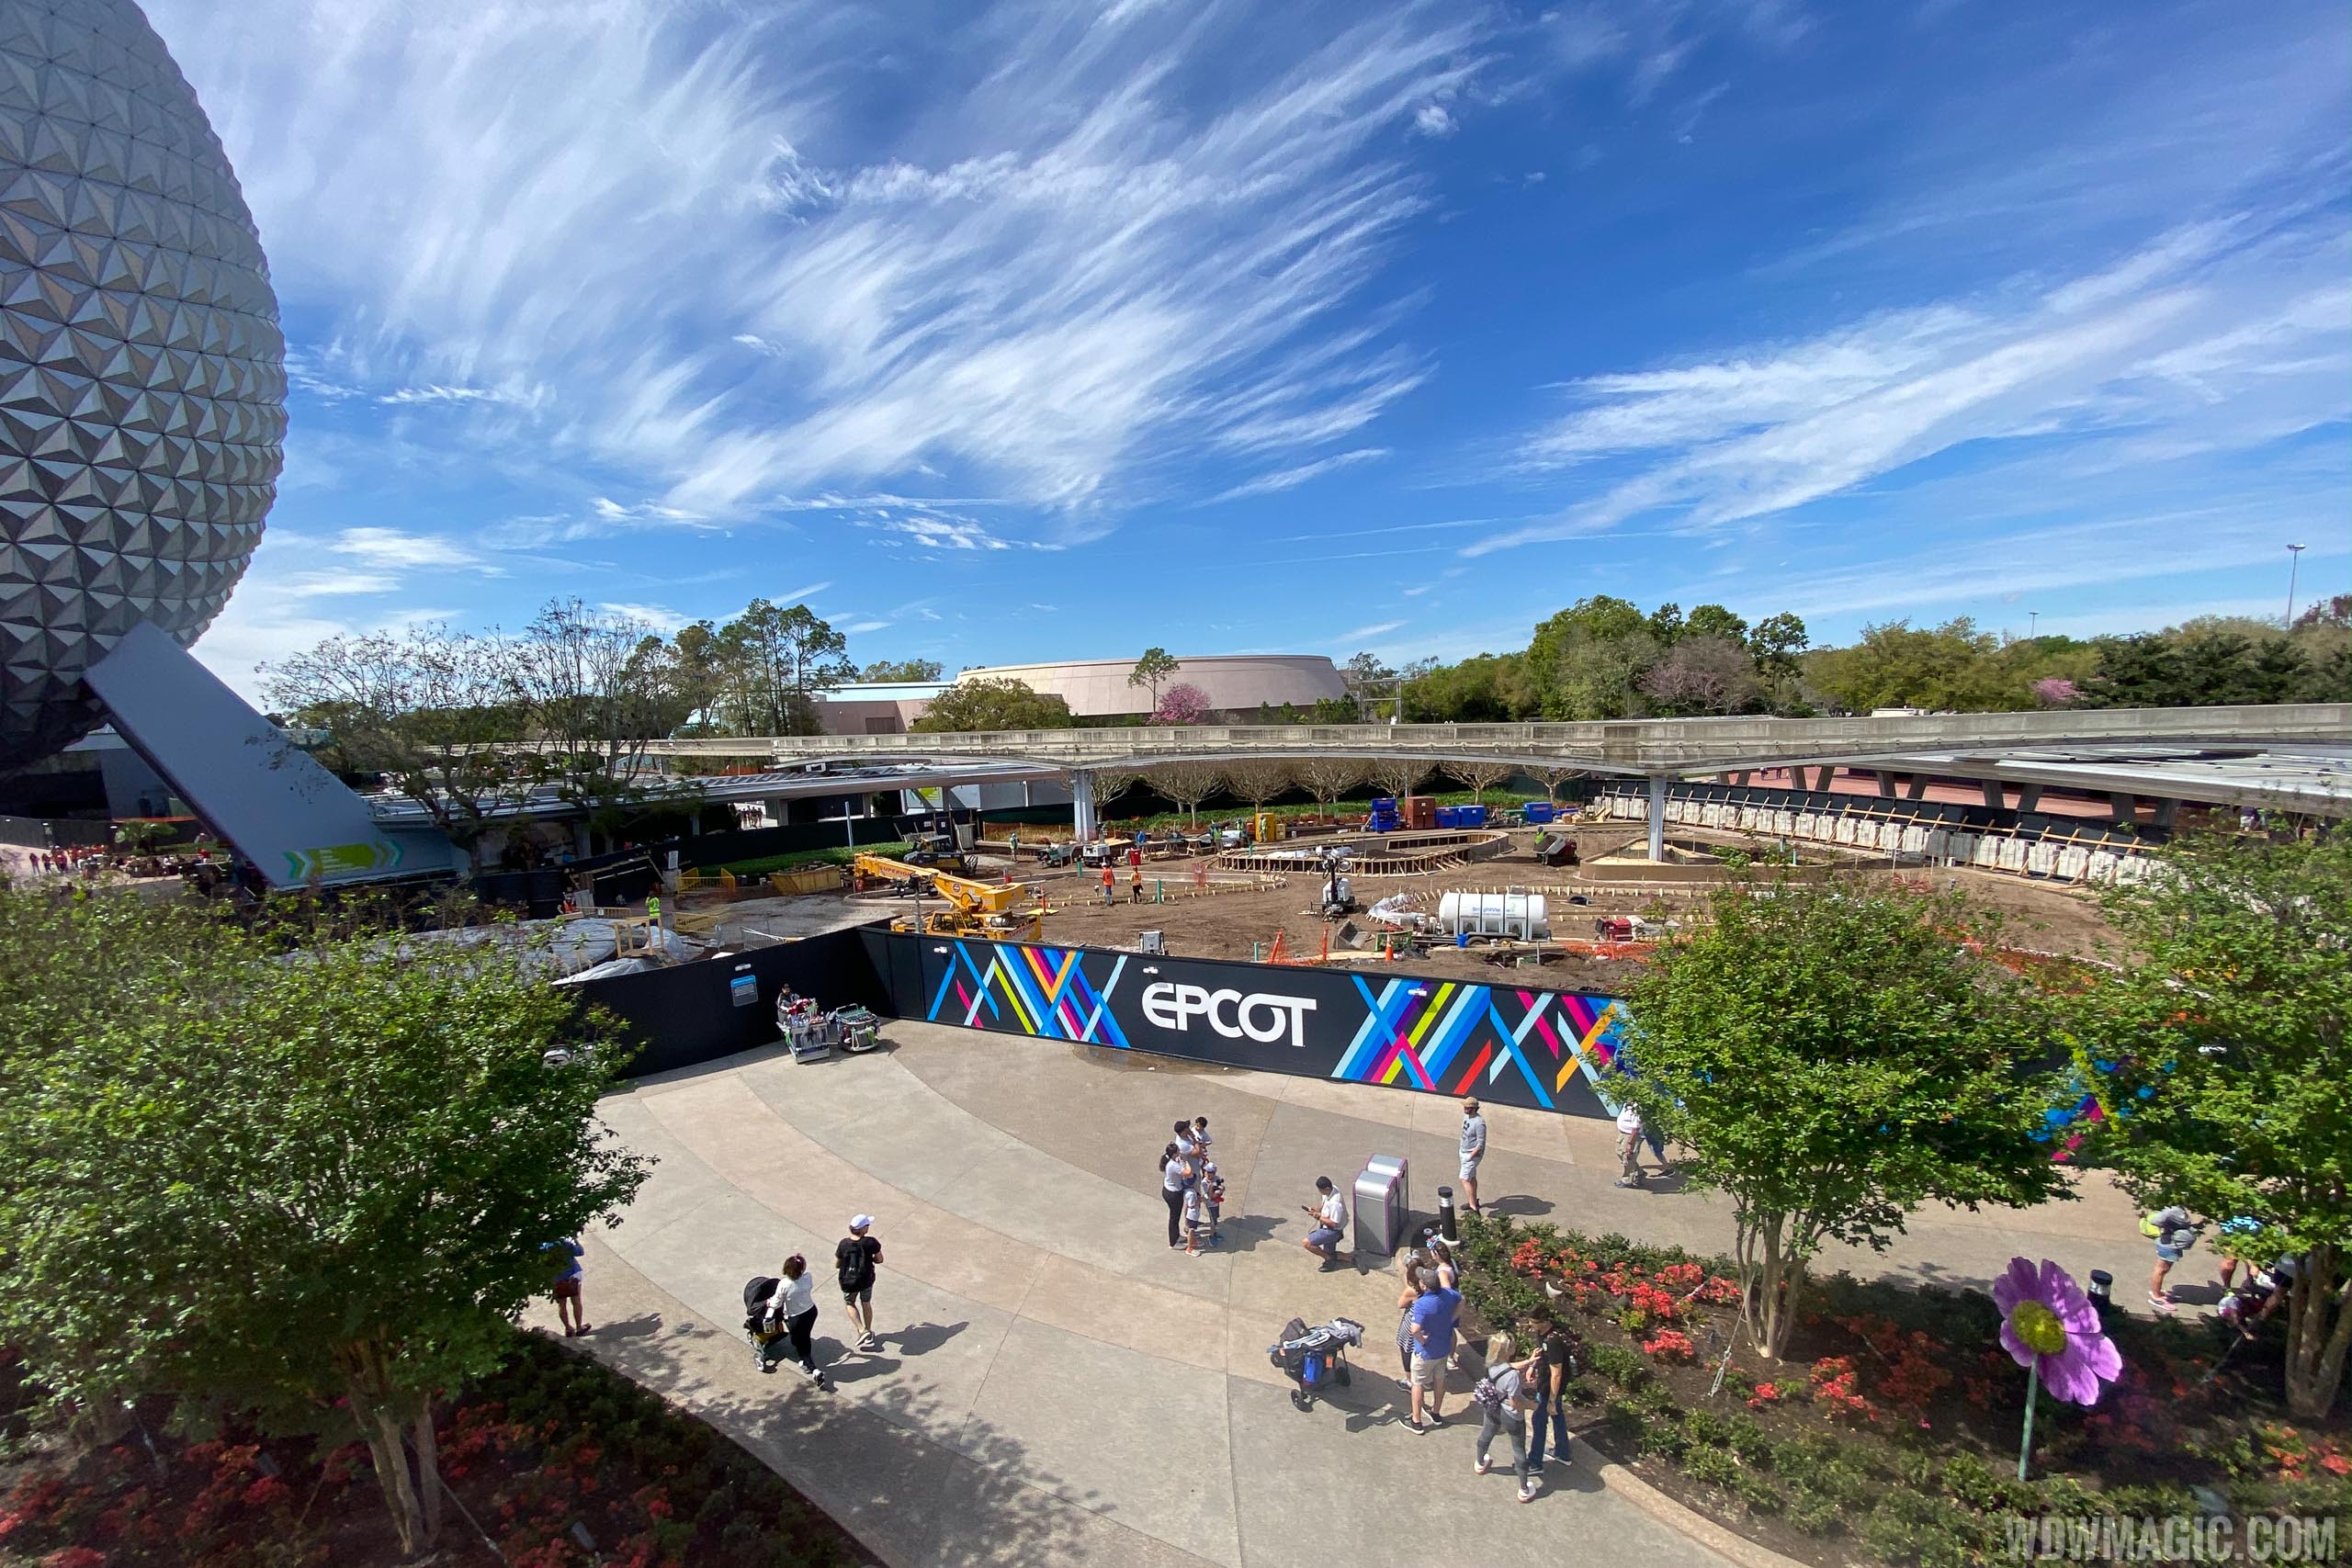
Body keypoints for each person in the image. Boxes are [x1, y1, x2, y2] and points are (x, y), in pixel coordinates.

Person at [1472, 1331, 1543, 1503]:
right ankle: (1524, 1489)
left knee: (1486, 1435)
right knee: (1519, 1450)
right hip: (1511, 1417)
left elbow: (1508, 1368)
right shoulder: (1513, 1377)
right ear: (1507, 1351)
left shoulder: (1490, 1363)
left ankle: (1480, 1462)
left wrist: (1528, 1362)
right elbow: (1515, 1403)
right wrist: (1536, 1407)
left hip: (1492, 1408)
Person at [1406, 1270, 1462, 1433]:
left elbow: (1414, 1329)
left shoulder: (1422, 1304)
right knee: (1439, 1380)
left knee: (1417, 1384)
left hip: (1425, 1353)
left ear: (1424, 1285)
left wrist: (1422, 1340)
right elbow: (1462, 1301)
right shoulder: (1448, 1294)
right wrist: (1451, 1320)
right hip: (1443, 1349)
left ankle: (1416, 1422)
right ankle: (1436, 1413)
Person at [762, 1254, 830, 1385]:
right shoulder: (808, 1278)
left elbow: (777, 1303)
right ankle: (805, 1359)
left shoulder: (784, 1284)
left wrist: (770, 1304)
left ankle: (812, 1368)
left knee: (801, 1342)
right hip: (810, 1311)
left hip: (795, 1317)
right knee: (804, 1336)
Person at [1526, 1327, 1576, 1471]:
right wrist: (1532, 1366)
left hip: (1549, 1389)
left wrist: (1551, 1401)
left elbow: (1556, 1374)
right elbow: (1540, 1353)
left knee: (1539, 1421)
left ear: (1543, 1322)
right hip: (1549, 1386)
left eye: (1533, 1322)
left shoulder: (1553, 1342)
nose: (1530, 1325)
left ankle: (1535, 1463)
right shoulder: (1544, 1333)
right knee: (1557, 1416)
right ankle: (1562, 1453)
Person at [835, 1215, 883, 1351]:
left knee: (850, 1302)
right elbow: (880, 1259)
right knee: (866, 1303)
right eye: (868, 1225)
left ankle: (861, 1330)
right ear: (863, 1229)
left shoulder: (844, 1244)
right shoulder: (871, 1243)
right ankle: (868, 1331)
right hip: (866, 1279)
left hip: (849, 1281)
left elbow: (837, 1263)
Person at [2144, 1204, 2198, 1312]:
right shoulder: (2171, 1211)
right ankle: (2156, 1297)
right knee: (2161, 1269)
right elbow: (2155, 1221)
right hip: (2169, 1246)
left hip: (2173, 1244)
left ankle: (2157, 1291)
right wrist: (2166, 1221)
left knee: (2164, 1269)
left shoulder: (2177, 1208)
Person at [1394, 1249, 1431, 1387]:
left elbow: (1401, 1304)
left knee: (1406, 1349)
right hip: (1427, 1322)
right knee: (1423, 1351)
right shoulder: (1429, 1286)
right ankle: (1426, 1379)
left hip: (1412, 1322)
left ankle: (1410, 1381)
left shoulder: (1412, 1291)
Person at [1302, 1175, 1351, 1269]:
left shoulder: (1335, 1204)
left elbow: (1334, 1223)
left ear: (1327, 1188)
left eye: (1321, 1190)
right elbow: (1324, 1203)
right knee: (1330, 1251)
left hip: (1332, 1231)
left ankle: (1329, 1259)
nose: (1319, 1192)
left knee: (1307, 1243)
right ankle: (1347, 1257)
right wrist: (1316, 1209)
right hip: (1326, 1226)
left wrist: (1318, 1217)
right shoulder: (1331, 1190)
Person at [543, 1237, 588, 1337]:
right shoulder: (565, 1244)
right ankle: (579, 1327)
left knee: (561, 1304)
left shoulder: (544, 1246)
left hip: (556, 1278)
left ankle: (568, 1328)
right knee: (576, 1301)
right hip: (572, 1275)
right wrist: (575, 1239)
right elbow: (580, 1251)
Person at [1159, 1143, 1193, 1249]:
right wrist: (1186, 1161)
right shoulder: (1173, 1165)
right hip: (1173, 1194)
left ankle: (1176, 1236)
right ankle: (1173, 1242)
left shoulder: (1171, 1161)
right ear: (1175, 1153)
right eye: (1178, 1151)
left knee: (1175, 1217)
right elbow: (1188, 1173)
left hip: (1168, 1190)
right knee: (1174, 1218)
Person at [1458, 1099, 1488, 1213]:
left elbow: (1480, 1143)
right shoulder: (1467, 1117)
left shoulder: (1479, 1123)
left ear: (1474, 1108)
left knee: (1464, 1178)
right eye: (1465, 1107)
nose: (1465, 1109)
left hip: (1472, 1155)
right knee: (1471, 1177)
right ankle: (1474, 1200)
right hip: (1463, 1151)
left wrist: (1470, 1156)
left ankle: (1473, 1208)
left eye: (1468, 1107)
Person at [1613, 1101, 1646, 1189]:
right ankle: (1640, 1173)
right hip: (1623, 1133)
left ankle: (1627, 1180)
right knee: (1620, 1152)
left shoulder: (1637, 1108)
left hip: (1631, 1135)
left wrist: (1630, 1144)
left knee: (1628, 1157)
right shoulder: (1628, 1104)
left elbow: (1635, 1129)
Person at [1201, 1161, 1226, 1244]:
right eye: (1206, 1171)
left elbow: (1220, 1190)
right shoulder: (1204, 1182)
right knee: (1213, 1221)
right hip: (1210, 1204)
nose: (1208, 1173)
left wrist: (1221, 1189)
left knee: (1215, 1218)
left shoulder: (1216, 1178)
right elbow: (1210, 1196)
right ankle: (1211, 1237)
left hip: (1216, 1203)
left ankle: (1214, 1233)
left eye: (1210, 1172)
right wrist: (1211, 1186)